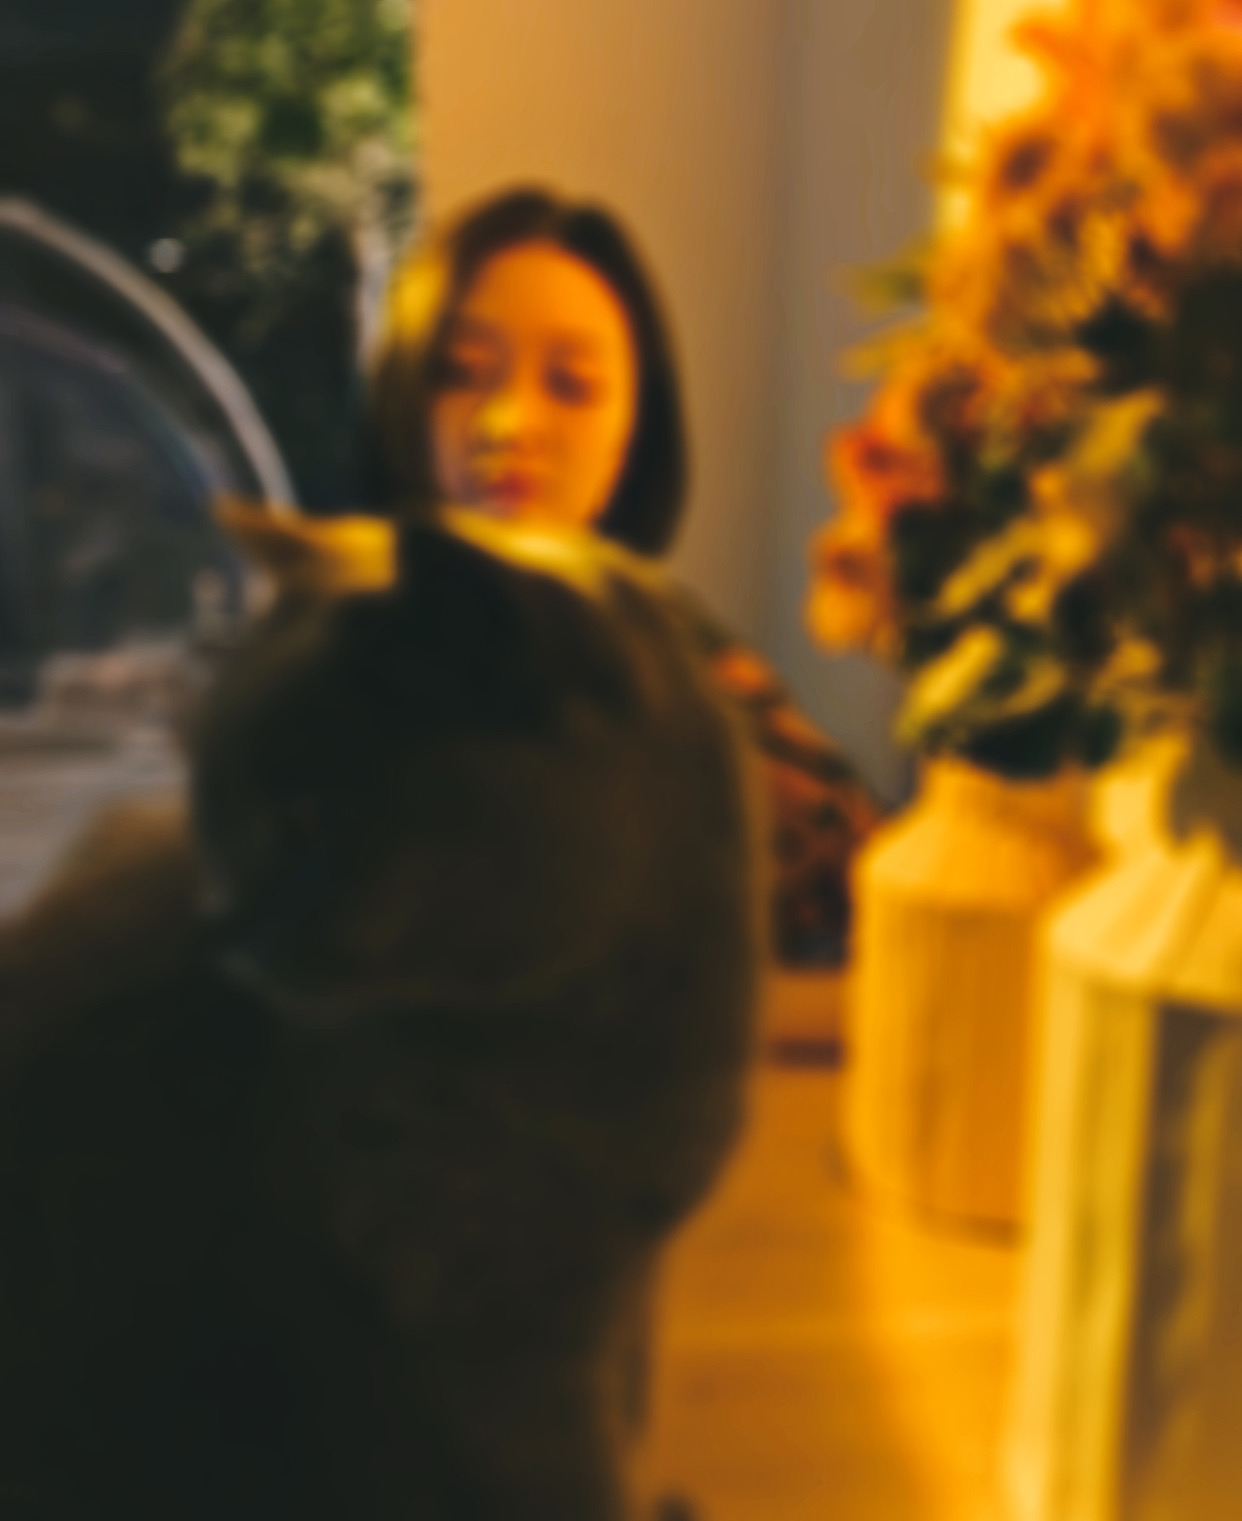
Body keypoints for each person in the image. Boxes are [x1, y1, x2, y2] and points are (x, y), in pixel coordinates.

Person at [364, 186, 882, 966]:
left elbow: (859, 892)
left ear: (629, 436)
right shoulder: (340, 656)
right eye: (463, 372)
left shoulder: (693, 685)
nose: (510, 425)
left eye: (570, 385)